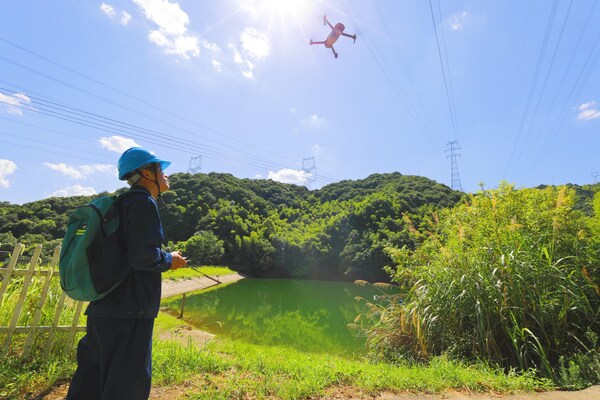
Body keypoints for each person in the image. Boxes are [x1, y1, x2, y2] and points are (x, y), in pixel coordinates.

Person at [67, 147, 187, 400]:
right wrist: (170, 259)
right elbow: (143, 257)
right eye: (160, 169)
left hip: (104, 306)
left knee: (90, 379)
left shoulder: (120, 204)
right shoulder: (143, 202)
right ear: (146, 172)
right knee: (127, 384)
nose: (165, 175)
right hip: (130, 310)